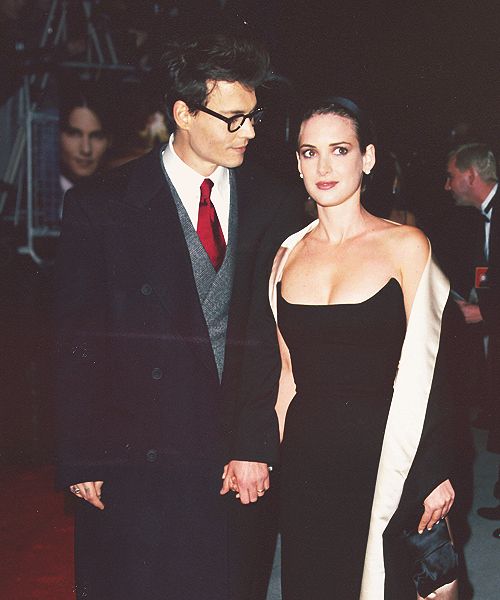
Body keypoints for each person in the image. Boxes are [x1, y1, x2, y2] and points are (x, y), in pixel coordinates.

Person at [55, 34, 302, 600]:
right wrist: (80, 453)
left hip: (231, 457)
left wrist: (255, 444)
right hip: (137, 454)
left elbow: (273, 340)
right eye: (234, 118)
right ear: (184, 114)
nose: (252, 132)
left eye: (254, 116)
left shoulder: (274, 201)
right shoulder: (103, 204)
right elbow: (77, 343)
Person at [268, 97, 457, 599]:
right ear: (298, 163)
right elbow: (287, 376)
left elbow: (433, 368)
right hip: (308, 460)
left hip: (386, 455)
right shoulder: (285, 258)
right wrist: (274, 461)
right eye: (310, 153)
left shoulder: (406, 245)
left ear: (367, 158)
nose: (323, 166)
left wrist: (433, 471)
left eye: (339, 150)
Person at [444, 143, 500, 538]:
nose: (447, 186)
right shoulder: (484, 217)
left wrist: (485, 314)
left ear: (470, 176)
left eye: (451, 176)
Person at [58, 89, 112, 195]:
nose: (86, 149)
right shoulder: (31, 197)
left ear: (109, 141)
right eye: (75, 134)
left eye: (96, 136)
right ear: (58, 136)